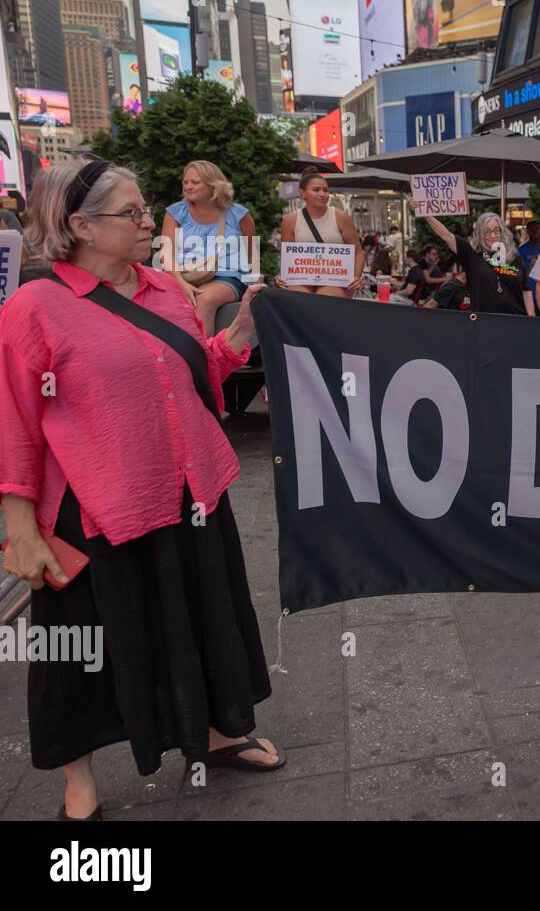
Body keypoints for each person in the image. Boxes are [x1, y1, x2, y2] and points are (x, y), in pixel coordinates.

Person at [0, 159, 283, 821]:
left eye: (144, 208)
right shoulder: (34, 308)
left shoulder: (166, 289)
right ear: (81, 226)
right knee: (80, 652)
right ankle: (79, 781)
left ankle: (213, 732)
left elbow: (192, 375)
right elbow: (13, 421)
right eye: (131, 213)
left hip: (190, 492)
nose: (149, 221)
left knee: (204, 615)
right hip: (96, 506)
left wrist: (240, 331)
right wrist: (20, 527)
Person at [159, 160, 257, 336]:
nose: (188, 186)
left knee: (204, 299)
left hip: (226, 277)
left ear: (213, 185)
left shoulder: (238, 214)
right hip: (183, 274)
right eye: (185, 182)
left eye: (195, 182)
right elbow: (165, 254)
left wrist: (254, 286)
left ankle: (203, 360)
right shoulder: (175, 212)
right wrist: (181, 283)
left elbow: (252, 256)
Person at [416, 210, 530, 316]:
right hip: (483, 322)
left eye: (496, 230)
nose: (493, 235)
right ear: (480, 234)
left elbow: (526, 290)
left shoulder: (514, 257)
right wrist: (424, 213)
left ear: (502, 232)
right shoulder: (472, 255)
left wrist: (531, 317)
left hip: (515, 321)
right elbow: (446, 236)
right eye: (487, 232)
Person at [277, 167, 363, 297]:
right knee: (295, 297)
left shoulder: (341, 217)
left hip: (336, 281)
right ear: (303, 193)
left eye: (325, 190)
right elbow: (287, 257)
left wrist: (356, 277)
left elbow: (358, 253)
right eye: (316, 190)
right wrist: (282, 276)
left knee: (326, 298)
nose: (322, 194)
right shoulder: (290, 220)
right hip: (301, 279)